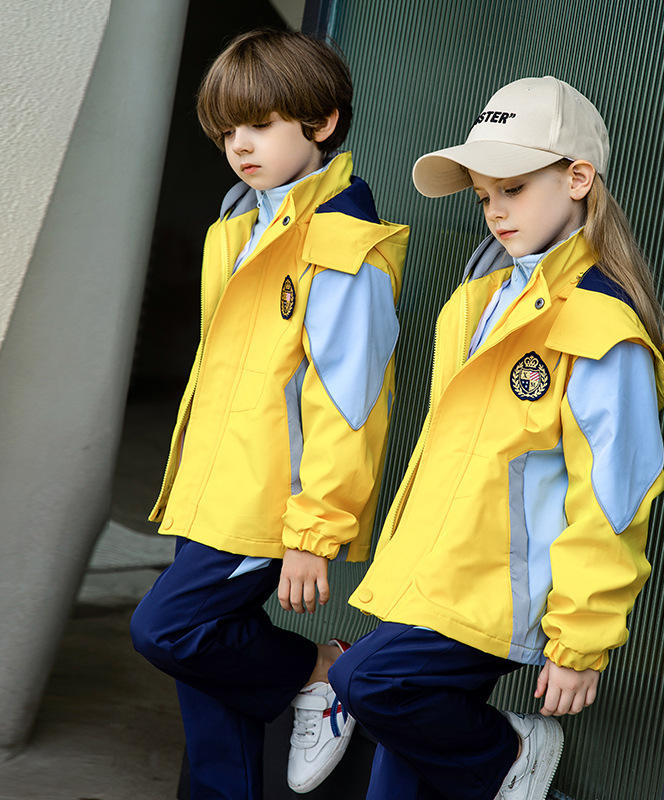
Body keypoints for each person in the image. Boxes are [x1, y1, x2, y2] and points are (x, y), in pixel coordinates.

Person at [328, 76, 664, 800]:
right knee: (397, 775)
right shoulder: (479, 301)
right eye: (484, 195)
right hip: (435, 578)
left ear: (578, 179)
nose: (495, 211)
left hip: (499, 595)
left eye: (514, 189)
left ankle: (509, 753)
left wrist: (581, 641)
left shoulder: (599, 326)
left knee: (366, 680)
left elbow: (613, 499)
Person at [129, 29, 408, 799]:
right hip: (209, 490)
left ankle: (324, 670)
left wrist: (313, 534)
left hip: (266, 505)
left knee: (167, 629)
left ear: (322, 122)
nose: (239, 146)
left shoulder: (343, 250)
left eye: (259, 125)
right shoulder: (241, 226)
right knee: (205, 678)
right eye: (227, 131)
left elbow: (348, 408)